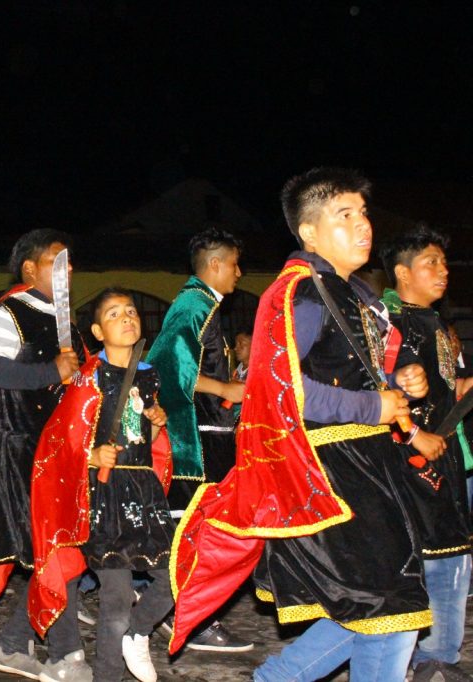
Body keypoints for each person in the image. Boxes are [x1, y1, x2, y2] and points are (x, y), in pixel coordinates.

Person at [170, 167, 432, 681]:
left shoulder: (348, 293)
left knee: (375, 606)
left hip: (367, 465)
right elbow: (282, 388)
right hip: (331, 470)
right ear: (309, 231)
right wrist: (372, 407)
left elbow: (346, 372)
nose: (362, 225)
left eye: (363, 214)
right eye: (344, 215)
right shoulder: (303, 294)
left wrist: (400, 381)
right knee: (390, 607)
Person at [0, 229, 89, 681]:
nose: (69, 269)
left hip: (60, 454)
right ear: (30, 269)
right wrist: (50, 370)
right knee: (56, 551)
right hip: (20, 451)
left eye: (71, 262)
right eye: (58, 261)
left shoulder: (67, 321)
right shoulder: (7, 312)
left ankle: (13, 644)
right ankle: (66, 656)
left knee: (62, 551)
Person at [30, 288, 173, 682]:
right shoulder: (87, 378)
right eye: (114, 314)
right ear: (97, 331)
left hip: (144, 494)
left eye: (131, 311)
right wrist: (90, 456)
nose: (126, 318)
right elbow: (58, 440)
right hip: (104, 495)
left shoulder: (149, 375)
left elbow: (146, 443)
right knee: (116, 598)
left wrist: (157, 425)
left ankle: (138, 633)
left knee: (174, 576)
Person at [146, 226, 252, 652]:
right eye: (235, 264)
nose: (239, 273)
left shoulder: (205, 304)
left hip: (211, 432)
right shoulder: (194, 303)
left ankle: (186, 611)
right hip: (198, 438)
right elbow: (167, 367)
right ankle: (189, 617)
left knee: (205, 527)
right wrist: (225, 388)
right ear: (215, 264)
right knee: (198, 528)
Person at [380, 225, 473, 682]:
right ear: (402, 272)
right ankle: (427, 656)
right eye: (430, 263)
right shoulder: (390, 325)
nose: (443, 271)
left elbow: (437, 392)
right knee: (435, 559)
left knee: (451, 557)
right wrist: (414, 433)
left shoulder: (432, 321)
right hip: (411, 463)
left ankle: (438, 655)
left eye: (443, 262)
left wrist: (461, 389)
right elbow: (377, 391)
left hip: (445, 456)